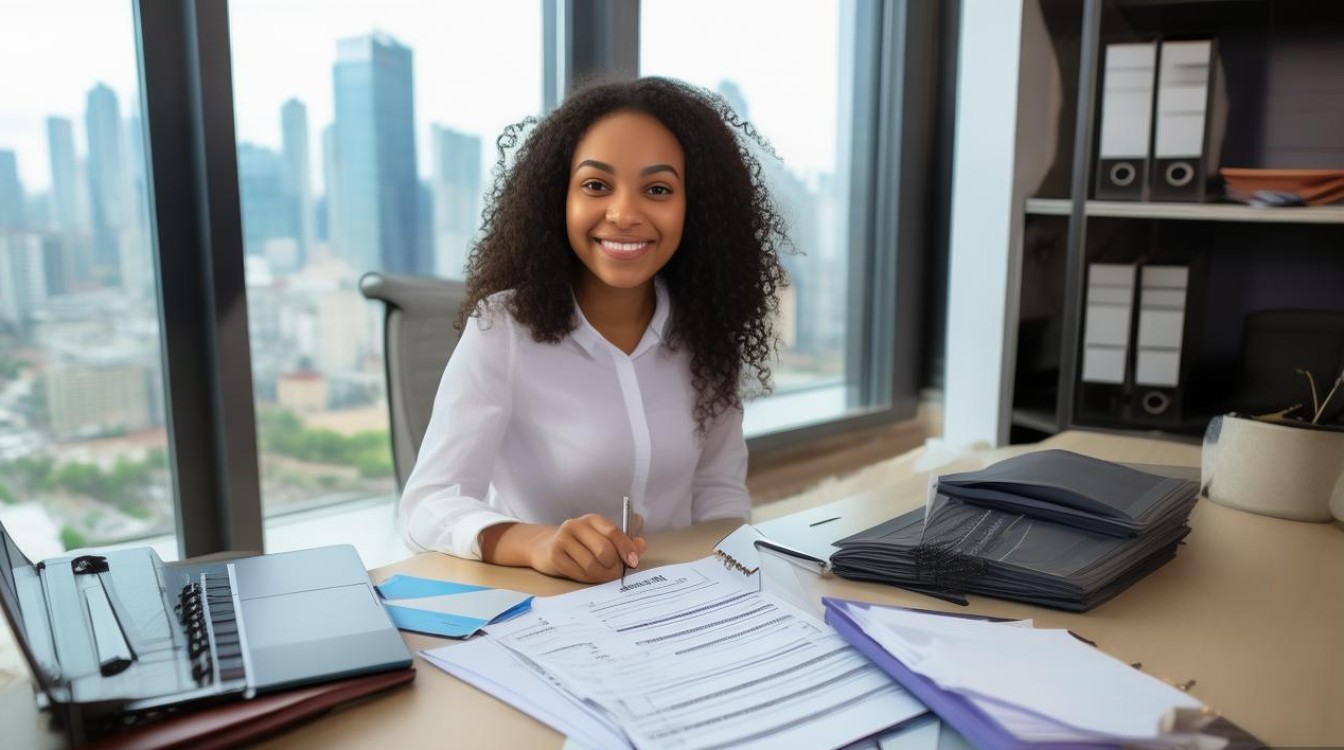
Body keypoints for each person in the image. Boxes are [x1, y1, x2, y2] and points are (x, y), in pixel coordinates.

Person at [399, 77, 790, 584]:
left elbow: (719, 491)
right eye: (596, 185)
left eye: (657, 189)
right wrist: (535, 542)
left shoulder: (708, 333)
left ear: (696, 207)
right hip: (541, 609)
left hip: (676, 607)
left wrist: (732, 584)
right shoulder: (503, 329)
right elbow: (426, 506)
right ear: (556, 198)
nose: (624, 213)